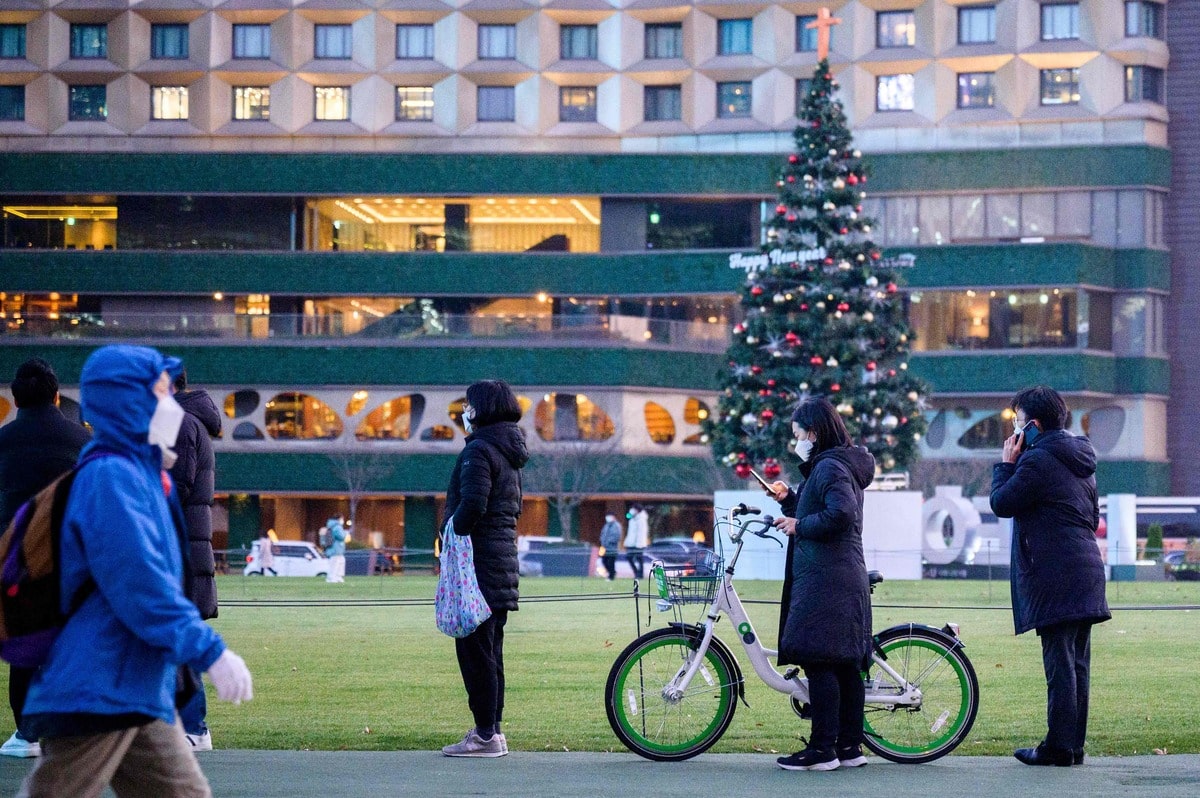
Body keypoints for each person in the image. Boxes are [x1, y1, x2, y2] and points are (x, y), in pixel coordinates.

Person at [16, 344, 253, 798]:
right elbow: (142, 588)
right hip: (98, 687)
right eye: (160, 395)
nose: (172, 407)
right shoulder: (112, 479)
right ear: (130, 403)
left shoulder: (136, 475)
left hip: (136, 686)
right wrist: (211, 653)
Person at [990, 386, 1110, 767]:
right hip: (1086, 570)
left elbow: (1001, 502)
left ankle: (1058, 748)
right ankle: (1072, 746)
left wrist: (1006, 464)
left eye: (1019, 421)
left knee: (1060, 665)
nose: (1015, 428)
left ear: (1035, 425)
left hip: (1054, 573)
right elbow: (1092, 518)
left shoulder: (1037, 461)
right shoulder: (1082, 460)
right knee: (1077, 664)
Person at [764, 396, 875, 772]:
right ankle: (849, 747)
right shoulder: (837, 465)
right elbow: (825, 510)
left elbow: (841, 514)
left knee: (820, 661)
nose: (796, 441)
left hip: (827, 578)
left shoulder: (829, 467)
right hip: (839, 574)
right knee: (844, 665)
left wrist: (800, 525)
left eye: (798, 434)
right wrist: (789, 501)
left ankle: (823, 749)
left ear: (814, 432)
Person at [0, 358, 91, 759]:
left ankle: (27, 733)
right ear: (57, 396)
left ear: (17, 399)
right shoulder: (82, 440)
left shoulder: (4, 441)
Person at [441, 380, 528, 758]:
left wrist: (451, 531)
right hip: (500, 565)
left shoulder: (479, 450)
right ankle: (492, 731)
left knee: (475, 654)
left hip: (477, 567)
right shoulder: (509, 451)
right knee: (491, 653)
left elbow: (474, 504)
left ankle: (485, 736)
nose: (465, 410)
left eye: (469, 404)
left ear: (482, 408)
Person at [167, 369, 223, 753]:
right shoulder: (188, 422)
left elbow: (174, 486)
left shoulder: (181, 423)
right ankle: (189, 725)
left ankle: (193, 726)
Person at [623, 503, 649, 578]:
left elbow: (641, 533)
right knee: (629, 557)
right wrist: (627, 542)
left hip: (639, 544)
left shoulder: (642, 519)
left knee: (639, 558)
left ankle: (640, 574)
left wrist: (639, 544)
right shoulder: (632, 518)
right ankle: (636, 572)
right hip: (631, 543)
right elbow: (630, 532)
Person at [598, 513, 622, 581]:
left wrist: (609, 542)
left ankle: (611, 576)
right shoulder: (606, 525)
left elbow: (617, 536)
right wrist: (602, 541)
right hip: (603, 547)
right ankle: (612, 572)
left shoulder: (616, 526)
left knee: (611, 562)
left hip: (612, 547)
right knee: (603, 560)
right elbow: (602, 534)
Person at [324, 517, 347, 583]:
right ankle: (332, 578)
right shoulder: (337, 527)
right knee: (335, 564)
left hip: (333, 549)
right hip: (336, 549)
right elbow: (341, 536)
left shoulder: (331, 526)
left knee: (338, 562)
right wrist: (345, 533)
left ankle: (337, 577)